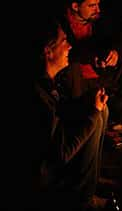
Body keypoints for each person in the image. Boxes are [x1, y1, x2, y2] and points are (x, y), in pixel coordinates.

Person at [31, 18, 109, 210]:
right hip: (47, 177)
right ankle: (82, 200)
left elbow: (66, 111)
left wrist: (89, 101)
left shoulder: (50, 82)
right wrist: (92, 112)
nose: (69, 46)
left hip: (58, 159)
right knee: (96, 115)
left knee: (101, 110)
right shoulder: (39, 97)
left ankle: (91, 184)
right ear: (48, 51)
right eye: (63, 41)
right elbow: (61, 154)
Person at [58, 0, 122, 127]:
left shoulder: (97, 19)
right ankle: (80, 119)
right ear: (75, 6)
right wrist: (91, 57)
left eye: (98, 4)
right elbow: (68, 54)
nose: (97, 9)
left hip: (101, 73)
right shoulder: (61, 25)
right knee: (73, 68)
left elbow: (120, 37)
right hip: (79, 81)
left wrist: (115, 51)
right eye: (92, 6)